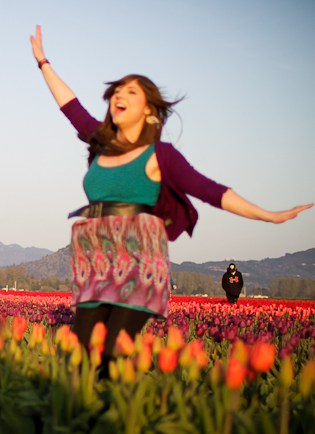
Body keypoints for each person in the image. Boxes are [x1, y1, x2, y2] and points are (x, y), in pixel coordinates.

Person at [29, 25, 312, 367]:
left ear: (149, 110)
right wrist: (43, 61)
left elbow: (211, 191)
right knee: (82, 348)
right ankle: (87, 412)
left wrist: (267, 215)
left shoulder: (159, 154)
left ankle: (114, 412)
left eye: (132, 92)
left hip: (137, 254)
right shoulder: (100, 143)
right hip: (96, 250)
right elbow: (70, 106)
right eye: (118, 90)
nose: (120, 94)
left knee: (112, 350)